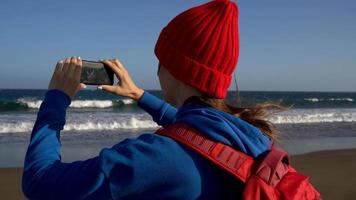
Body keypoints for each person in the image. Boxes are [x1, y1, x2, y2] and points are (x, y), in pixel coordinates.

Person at [22, 0, 277, 199]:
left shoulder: (155, 158)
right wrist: (138, 95)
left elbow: (39, 181)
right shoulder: (251, 136)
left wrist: (56, 98)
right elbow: (198, 137)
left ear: (174, 68)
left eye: (161, 60)